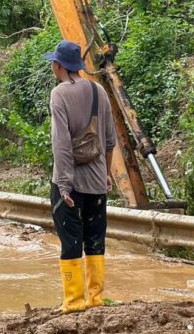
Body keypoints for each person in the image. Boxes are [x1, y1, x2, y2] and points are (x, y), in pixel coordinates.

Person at [44, 40, 116, 313]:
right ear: (79, 66)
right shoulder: (99, 92)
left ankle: (74, 302)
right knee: (95, 239)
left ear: (58, 66)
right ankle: (95, 299)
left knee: (71, 240)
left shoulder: (59, 95)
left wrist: (63, 186)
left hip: (70, 184)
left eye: (53, 62)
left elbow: (61, 144)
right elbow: (110, 141)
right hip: (97, 183)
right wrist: (106, 175)